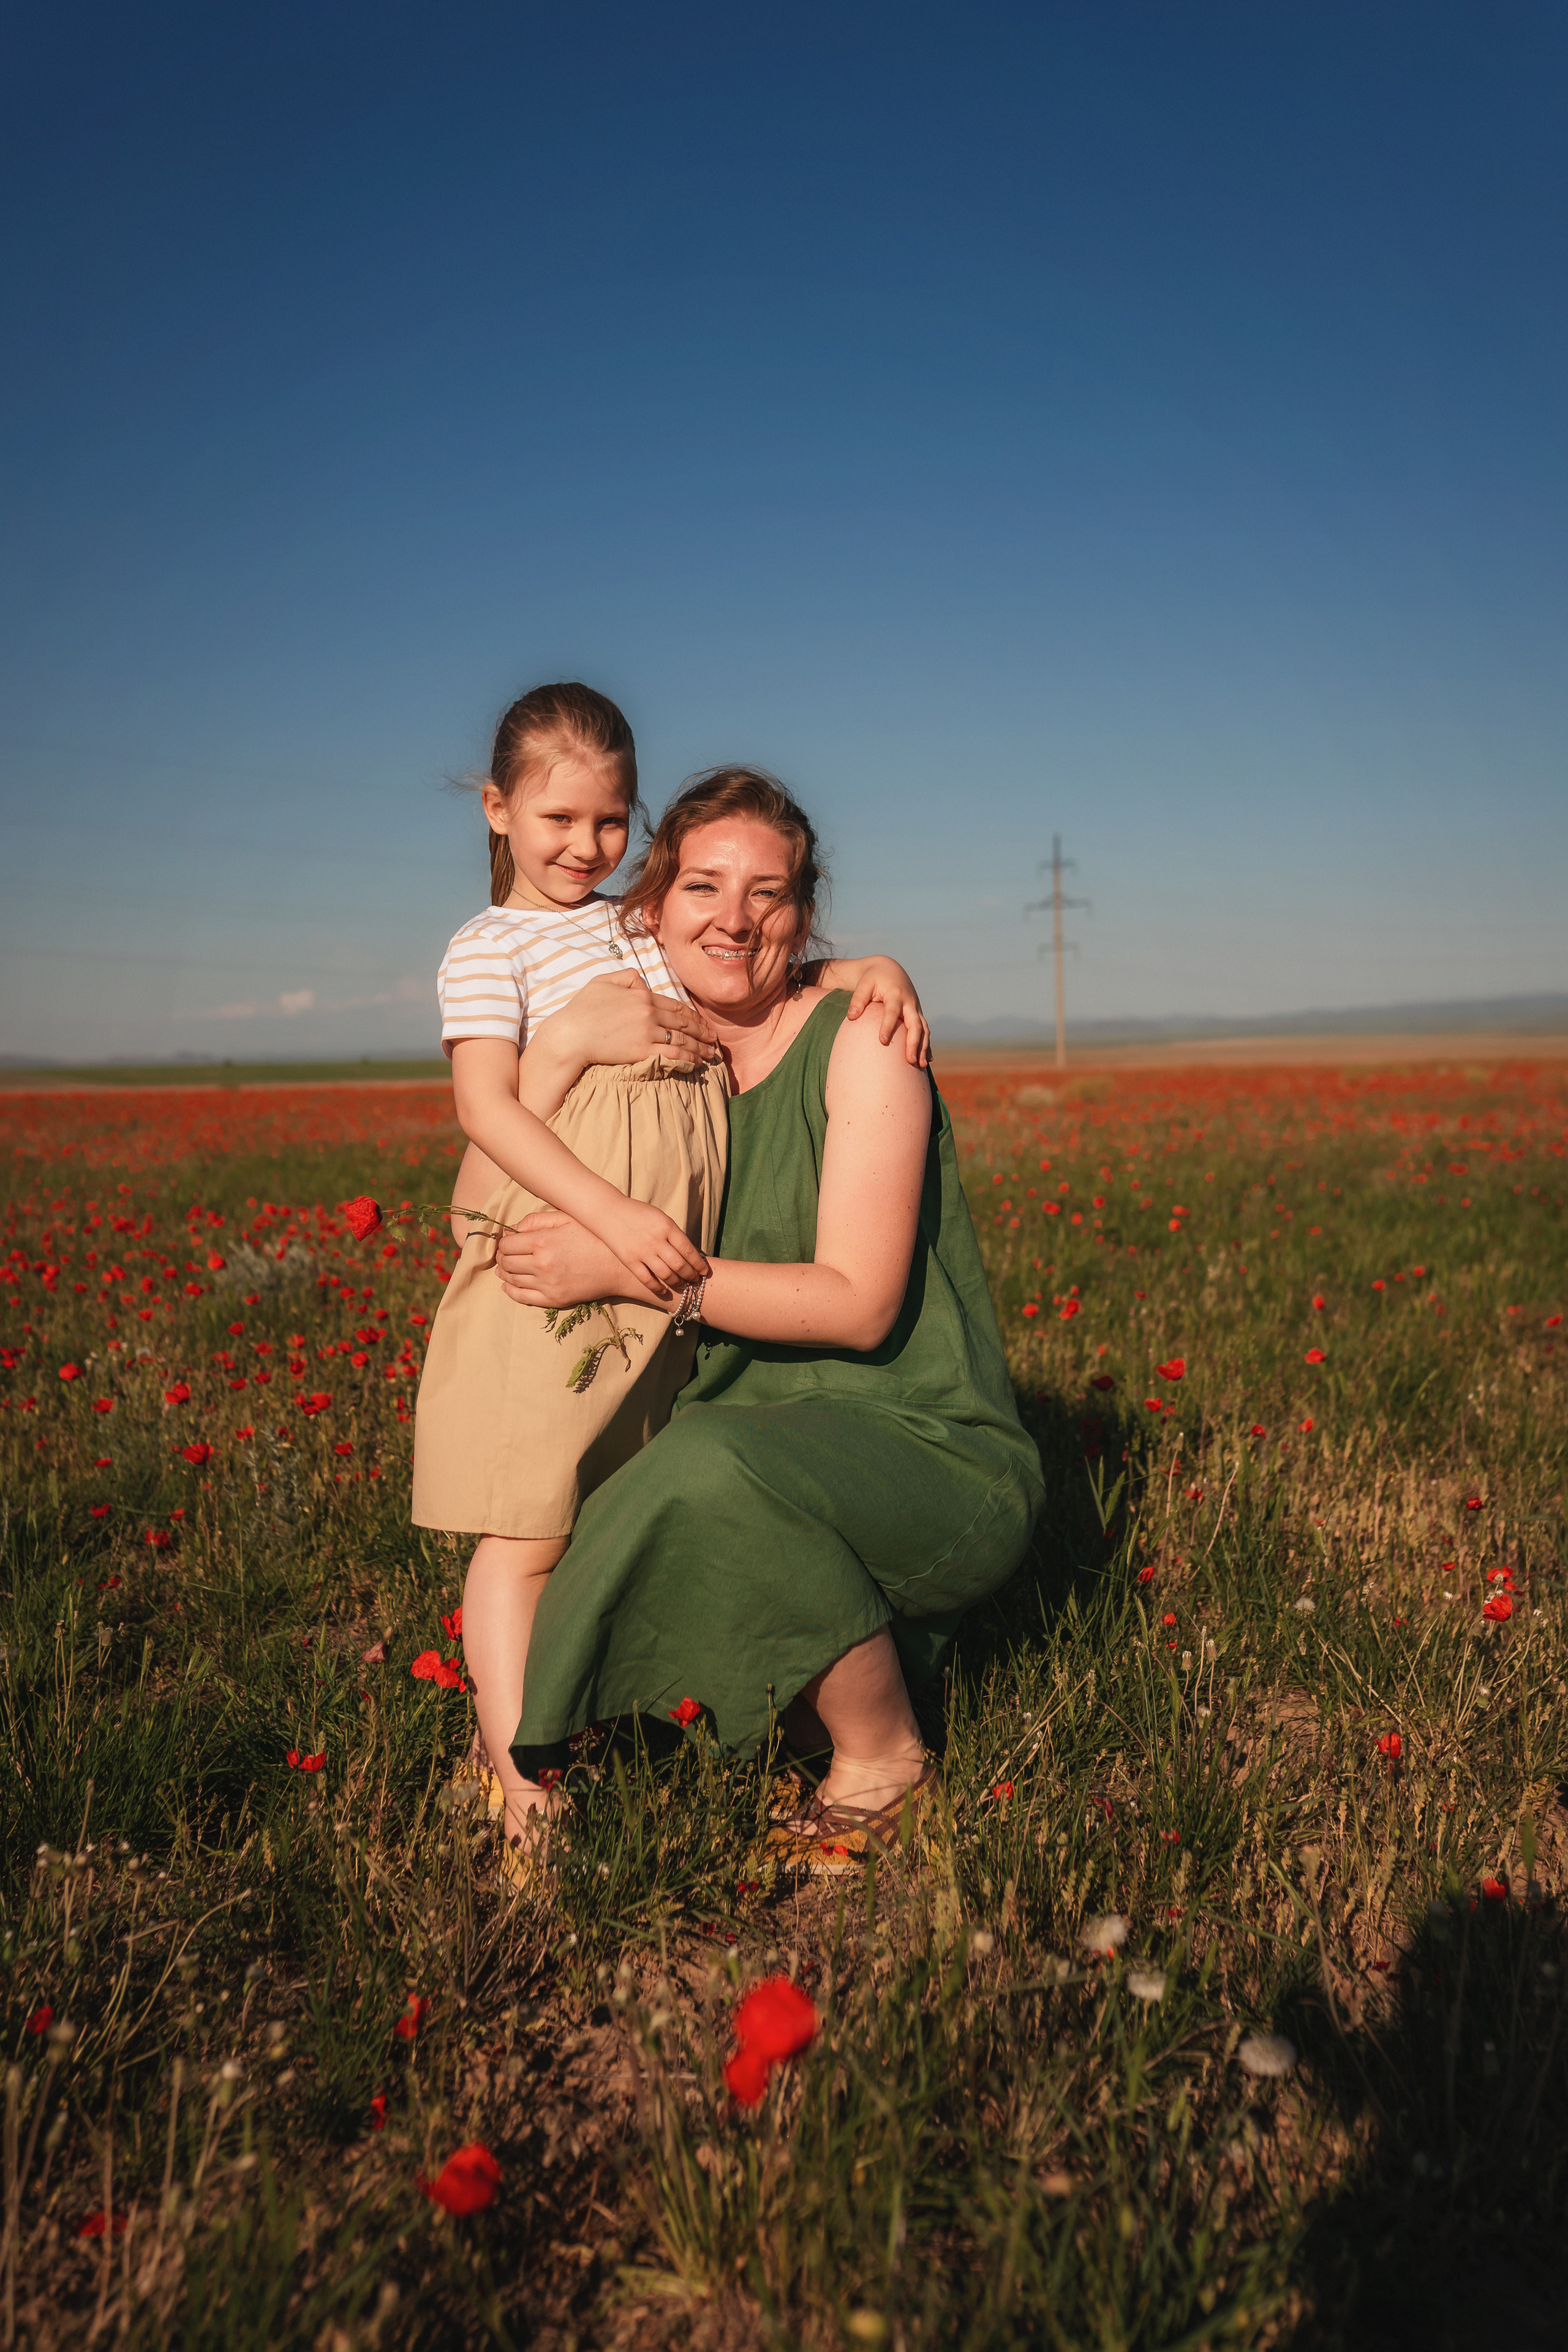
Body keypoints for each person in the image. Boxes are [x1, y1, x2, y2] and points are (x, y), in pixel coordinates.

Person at [412, 687, 929, 1864]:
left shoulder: (629, 928)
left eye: (611, 823)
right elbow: (484, 1108)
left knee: (602, 1505)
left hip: (639, 1270)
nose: (585, 847)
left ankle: (562, 1726)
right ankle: (520, 1785)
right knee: (523, 1527)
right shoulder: (491, 946)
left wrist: (878, 965)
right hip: (572, 1250)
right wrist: (607, 1195)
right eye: (556, 820)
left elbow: (764, 956)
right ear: (497, 810)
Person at [492, 766, 1043, 1866]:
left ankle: (886, 1759)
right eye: (703, 886)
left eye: (770, 894)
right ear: (651, 906)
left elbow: (856, 1303)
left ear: (805, 909)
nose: (735, 919)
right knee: (586, 1537)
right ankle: (567, 1764)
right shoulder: (648, 1048)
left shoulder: (864, 1040)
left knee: (703, 1465)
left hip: (918, 1448)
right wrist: (551, 1053)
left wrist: (624, 1266)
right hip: (748, 1445)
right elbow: (484, 1168)